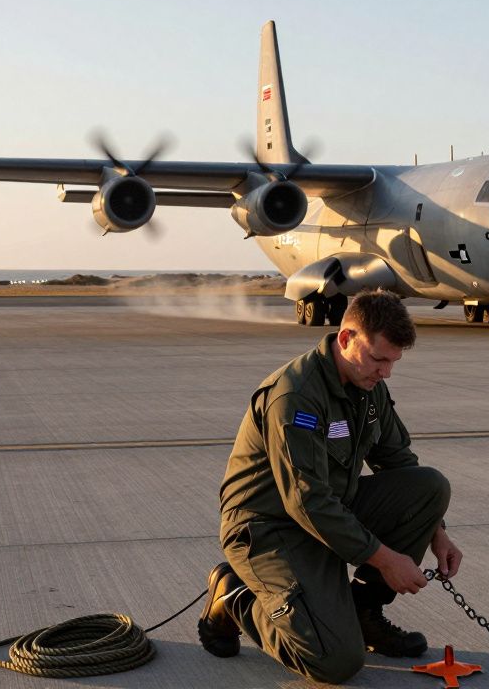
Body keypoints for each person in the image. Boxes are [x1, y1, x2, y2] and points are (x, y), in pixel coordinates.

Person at [197, 288, 463, 684]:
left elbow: (398, 461)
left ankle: (363, 613)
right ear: (346, 339)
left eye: (393, 362)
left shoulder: (368, 386)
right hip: (269, 529)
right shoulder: (296, 396)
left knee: (430, 489)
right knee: (335, 663)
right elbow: (306, 501)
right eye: (379, 359)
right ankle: (235, 596)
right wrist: (386, 560)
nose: (386, 372)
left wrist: (436, 533)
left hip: (331, 512)